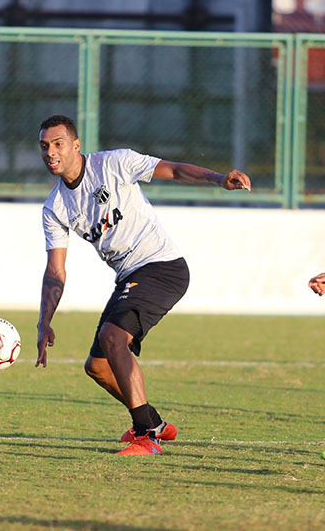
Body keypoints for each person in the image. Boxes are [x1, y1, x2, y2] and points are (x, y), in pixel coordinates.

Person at [35, 114, 251, 455]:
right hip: (130, 276)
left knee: (112, 337)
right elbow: (55, 271)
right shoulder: (55, 207)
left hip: (162, 267)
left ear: (76, 145)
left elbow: (174, 170)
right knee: (97, 367)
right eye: (45, 146)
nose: (50, 152)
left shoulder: (114, 164)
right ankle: (156, 424)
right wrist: (44, 321)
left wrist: (219, 178)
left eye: (58, 144)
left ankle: (145, 435)